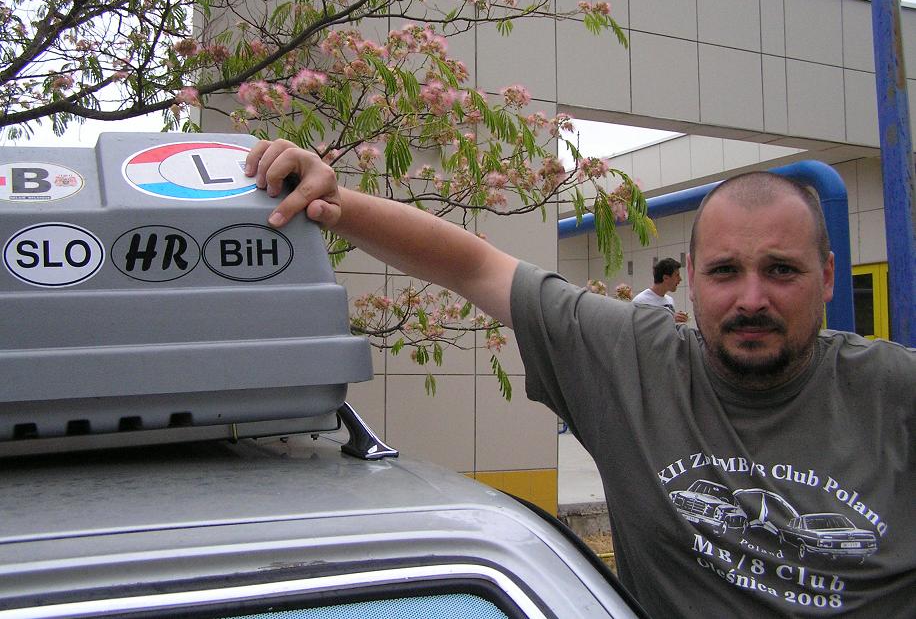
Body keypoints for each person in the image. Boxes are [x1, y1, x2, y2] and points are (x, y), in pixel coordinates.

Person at [246, 139, 915, 618]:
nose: (751, 298)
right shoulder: (635, 360)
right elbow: (473, 266)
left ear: (828, 276)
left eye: (782, 270)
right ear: (689, 278)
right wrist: (335, 199)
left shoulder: (896, 393)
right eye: (724, 271)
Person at [631, 256, 690, 322]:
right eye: (677, 275)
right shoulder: (640, 301)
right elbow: (637, 326)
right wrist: (670, 319)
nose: (680, 279)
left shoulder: (670, 300)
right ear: (665, 278)